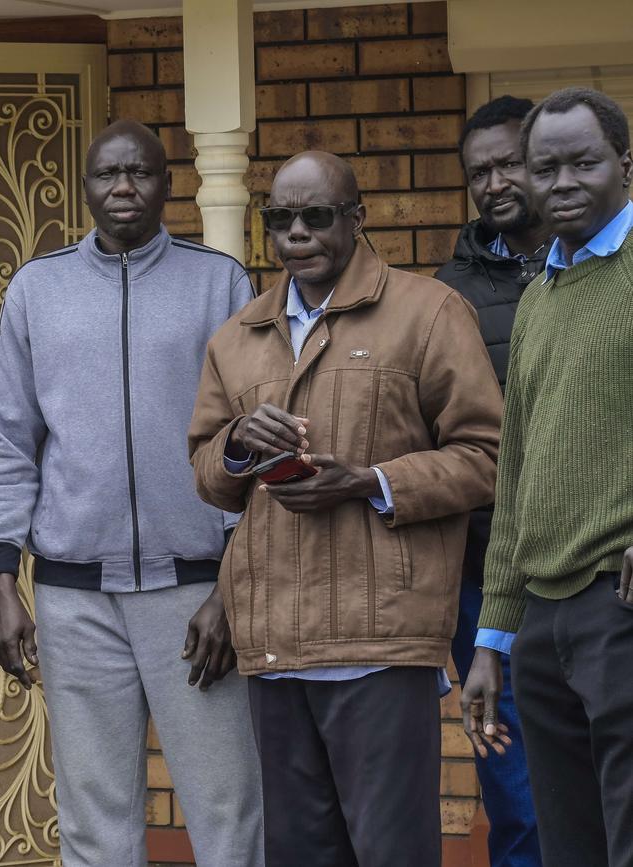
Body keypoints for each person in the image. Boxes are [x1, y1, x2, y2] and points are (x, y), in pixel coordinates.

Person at [188, 149, 503, 867]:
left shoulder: (428, 312)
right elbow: (209, 472)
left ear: (357, 219)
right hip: (274, 645)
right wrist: (237, 442)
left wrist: (370, 479)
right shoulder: (238, 337)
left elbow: (488, 456)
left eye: (317, 216)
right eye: (280, 218)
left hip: (381, 641)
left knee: (392, 853)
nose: (296, 232)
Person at [0, 120, 263, 866]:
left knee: (229, 809)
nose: (124, 188)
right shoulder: (38, 290)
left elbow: (251, 443)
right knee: (94, 819)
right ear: (86, 187)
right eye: (108, 175)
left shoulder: (220, 281)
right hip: (77, 602)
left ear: (168, 184)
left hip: (196, 594)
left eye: (140, 173)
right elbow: (8, 439)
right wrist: (0, 579)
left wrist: (232, 591)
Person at [461, 87, 633, 867]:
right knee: (569, 846)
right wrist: (492, 638)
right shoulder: (539, 298)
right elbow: (517, 471)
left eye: (583, 162)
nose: (562, 182)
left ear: (624, 165)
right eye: (545, 166)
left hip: (619, 604)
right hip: (541, 620)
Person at [436, 95, 549, 867]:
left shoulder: (612, 270)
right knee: (519, 798)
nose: (496, 181)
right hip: (486, 579)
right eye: (480, 171)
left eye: (510, 162)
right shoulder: (447, 297)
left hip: (603, 573)